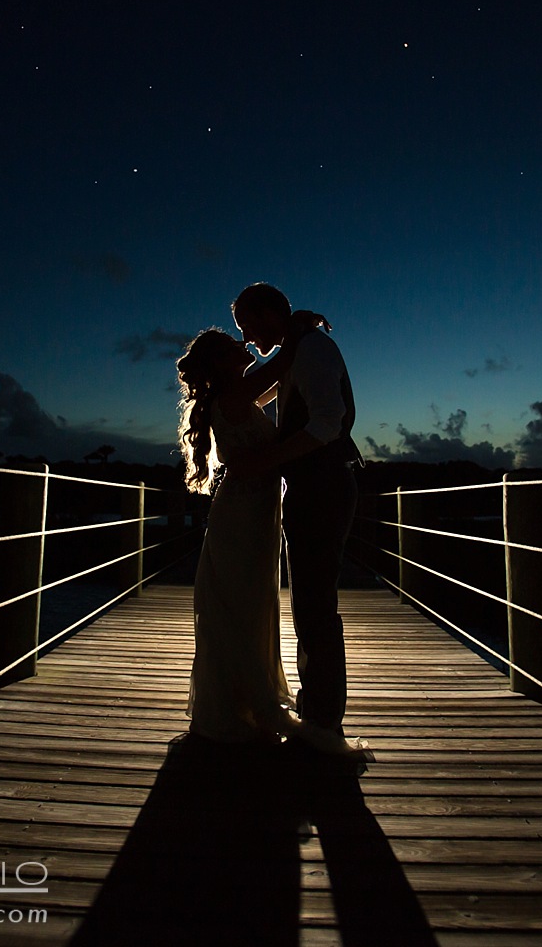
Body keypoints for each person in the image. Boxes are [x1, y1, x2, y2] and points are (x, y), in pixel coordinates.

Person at [227, 283, 366, 760]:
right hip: (310, 488)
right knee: (309, 603)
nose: (245, 338)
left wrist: (266, 461)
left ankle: (325, 722)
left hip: (323, 488)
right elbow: (257, 396)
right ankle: (316, 714)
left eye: (247, 325)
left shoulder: (314, 349)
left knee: (316, 606)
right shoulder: (298, 349)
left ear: (267, 314)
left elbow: (328, 422)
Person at [176, 321, 316, 744]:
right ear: (220, 362)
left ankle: (241, 699)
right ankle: (246, 703)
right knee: (243, 605)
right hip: (243, 515)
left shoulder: (236, 395)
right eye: (232, 343)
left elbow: (274, 386)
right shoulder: (234, 393)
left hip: (250, 512)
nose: (244, 343)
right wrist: (297, 330)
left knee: (246, 604)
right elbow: (283, 364)